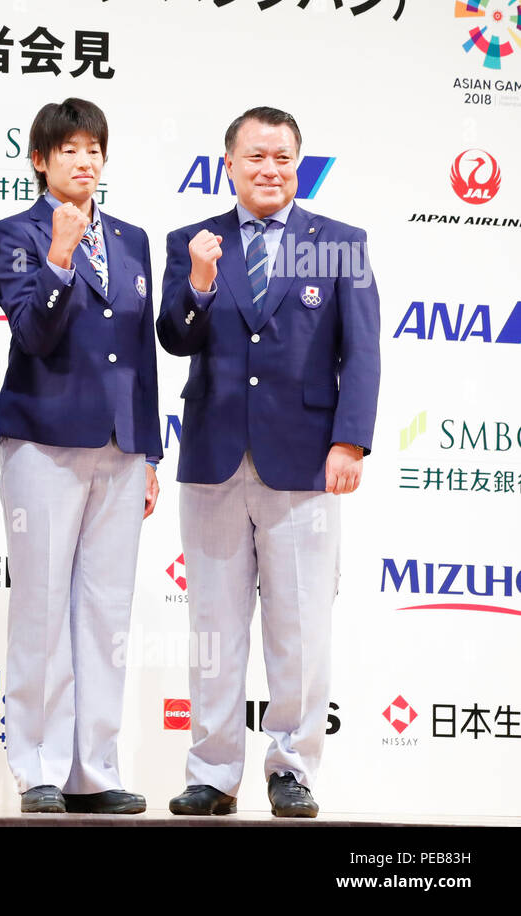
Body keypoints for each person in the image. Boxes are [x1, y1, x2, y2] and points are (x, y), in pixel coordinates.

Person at [157, 106, 380, 818]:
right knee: (214, 627)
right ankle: (213, 771)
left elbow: (364, 349)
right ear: (229, 163)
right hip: (215, 458)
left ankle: (292, 767)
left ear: (298, 164)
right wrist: (196, 283)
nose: (269, 169)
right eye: (255, 156)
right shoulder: (195, 242)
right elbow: (173, 337)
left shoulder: (339, 243)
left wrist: (350, 440)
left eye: (282, 157)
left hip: (306, 457)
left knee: (302, 623)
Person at [0, 99, 161, 815]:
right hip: (43, 441)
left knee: (105, 613)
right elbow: (32, 333)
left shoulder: (131, 237)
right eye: (68, 150)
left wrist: (149, 446)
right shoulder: (13, 234)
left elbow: (142, 348)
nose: (84, 161)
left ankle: (97, 769)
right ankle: (38, 768)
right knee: (40, 606)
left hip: (121, 446)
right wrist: (60, 253)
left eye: (93, 149)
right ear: (39, 160)